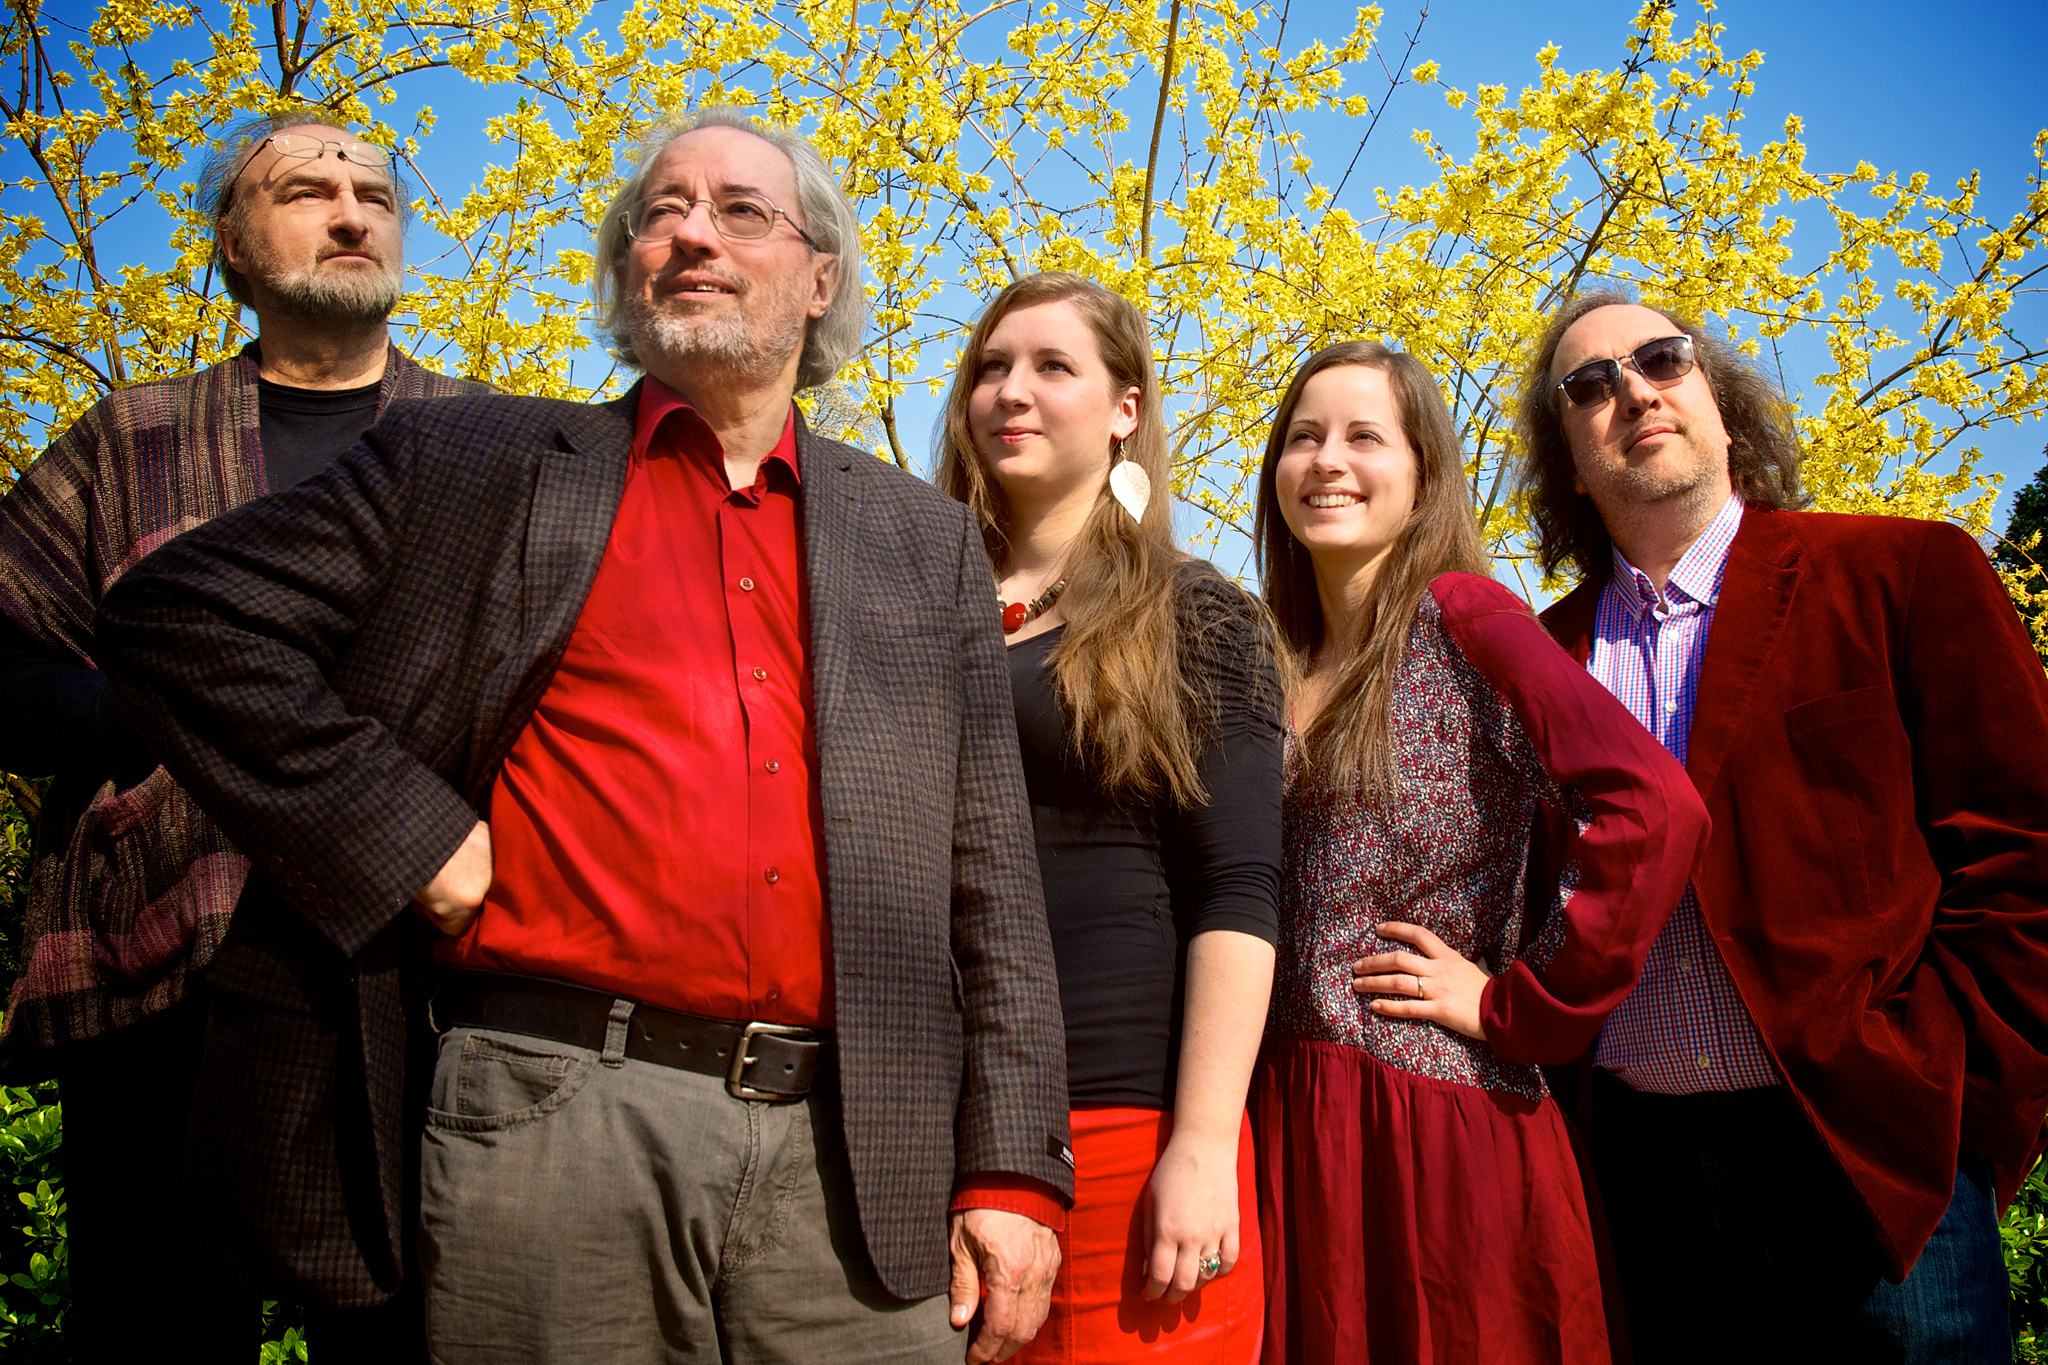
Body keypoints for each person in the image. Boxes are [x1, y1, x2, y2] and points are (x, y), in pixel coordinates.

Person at [94, 106, 1074, 1365]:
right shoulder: (473, 459)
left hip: (860, 1149)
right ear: (625, 270)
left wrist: (1012, 1170)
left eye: (740, 211)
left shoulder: (918, 537)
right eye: (661, 213)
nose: (692, 236)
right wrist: (401, 836)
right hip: (550, 1118)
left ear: (820, 278)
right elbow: (179, 615)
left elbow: (992, 879)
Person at [0, 107, 485, 1362]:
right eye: (306, 190)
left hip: (421, 982)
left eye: (376, 195)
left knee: (408, 1343)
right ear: (229, 239)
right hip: (162, 976)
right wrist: (161, 709)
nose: (350, 213)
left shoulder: (489, 440)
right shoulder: (133, 438)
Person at [1517, 290, 2048, 1363]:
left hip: (1865, 1155)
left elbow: (2023, 852)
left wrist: (1963, 1121)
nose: (1633, 391)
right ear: (1568, 461)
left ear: (1723, 406)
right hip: (1638, 1189)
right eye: (1589, 385)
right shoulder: (1538, 654)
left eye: (1662, 360)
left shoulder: (1900, 573)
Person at [1248, 341, 1710, 1363]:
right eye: (1303, 437)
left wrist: (1520, 1006)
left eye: (1364, 437)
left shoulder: (1464, 617)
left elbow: (1649, 808)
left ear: (1422, 474)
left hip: (1430, 1138)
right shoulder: (1264, 657)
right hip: (1279, 1127)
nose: (1327, 461)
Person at [934, 271, 1281, 1362]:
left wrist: (1202, 1143)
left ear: (1125, 409)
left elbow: (1238, 890)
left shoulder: (1196, 614)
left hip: (1118, 1129)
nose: (1012, 391)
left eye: (1053, 366)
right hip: (924, 1120)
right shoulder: (915, 599)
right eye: (991, 367)